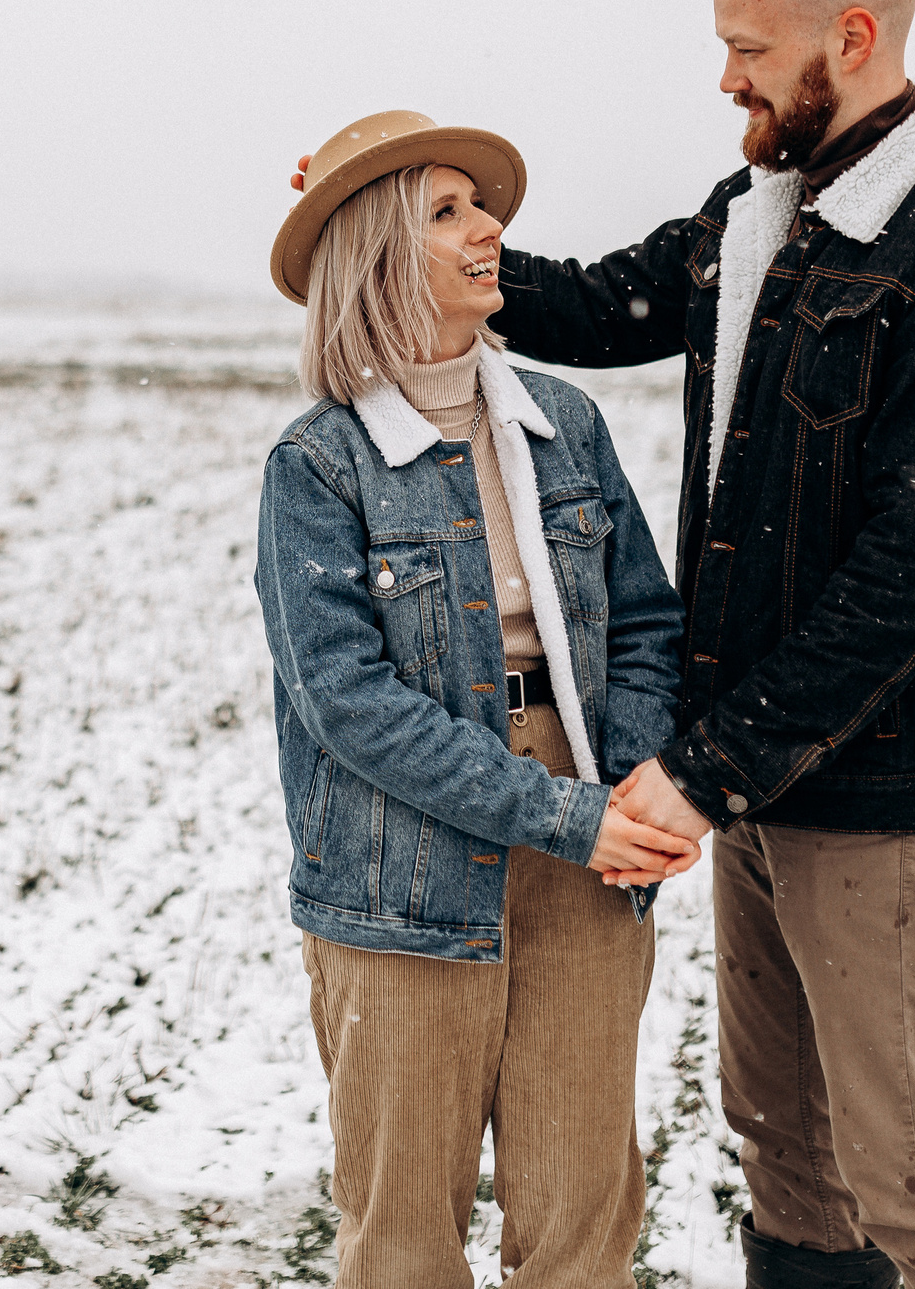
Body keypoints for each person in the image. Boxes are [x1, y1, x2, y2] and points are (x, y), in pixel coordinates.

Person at [292, 0, 915, 1289]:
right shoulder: (757, 213)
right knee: (786, 1139)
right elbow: (596, 306)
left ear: (852, 37)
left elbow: (913, 574)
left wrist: (701, 772)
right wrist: (403, 223)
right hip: (753, 778)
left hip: (878, 790)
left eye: (747, 48)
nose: (727, 79)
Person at [254, 112, 694, 1289]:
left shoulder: (569, 425)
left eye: (480, 205)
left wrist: (633, 785)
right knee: (402, 1238)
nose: (488, 229)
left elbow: (647, 622)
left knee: (581, 1223)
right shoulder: (318, 464)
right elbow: (348, 702)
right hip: (403, 856)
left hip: (590, 846)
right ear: (378, 257)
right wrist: (564, 815)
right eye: (444, 212)